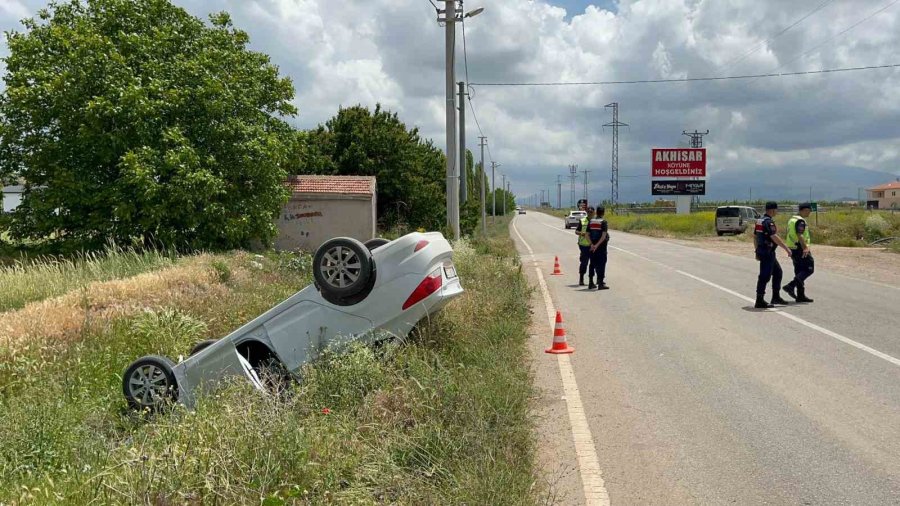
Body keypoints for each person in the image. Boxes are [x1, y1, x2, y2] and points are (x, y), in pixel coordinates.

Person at [754, 201, 792, 309]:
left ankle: (776, 297)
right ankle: (759, 300)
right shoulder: (768, 222)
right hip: (767, 252)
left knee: (778, 272)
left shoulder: (760, 220)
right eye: (776, 209)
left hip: (764, 251)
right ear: (772, 210)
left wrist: (756, 250)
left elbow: (755, 237)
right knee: (764, 276)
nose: (777, 211)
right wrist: (786, 248)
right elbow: (774, 236)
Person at [783, 203, 815, 303]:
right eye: (808, 211)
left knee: (799, 270)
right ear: (803, 210)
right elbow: (799, 234)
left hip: (793, 247)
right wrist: (805, 247)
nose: (809, 213)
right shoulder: (800, 221)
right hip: (800, 248)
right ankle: (791, 285)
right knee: (809, 269)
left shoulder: (791, 220)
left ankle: (800, 295)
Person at [587, 206, 610, 290]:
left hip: (592, 246)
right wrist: (597, 245)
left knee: (592, 264)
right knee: (601, 264)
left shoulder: (591, 221)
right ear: (603, 213)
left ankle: (590, 282)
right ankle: (600, 283)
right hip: (601, 247)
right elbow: (603, 236)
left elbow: (586, 234)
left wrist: (592, 245)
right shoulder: (603, 222)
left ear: (596, 212)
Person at [574, 200, 591, 285]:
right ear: (587, 212)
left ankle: (592, 280)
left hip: (594, 245)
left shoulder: (596, 221)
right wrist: (582, 233)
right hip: (584, 245)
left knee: (594, 263)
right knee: (584, 262)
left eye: (592, 212)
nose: (590, 213)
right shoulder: (583, 221)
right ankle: (581, 278)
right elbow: (576, 231)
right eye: (589, 212)